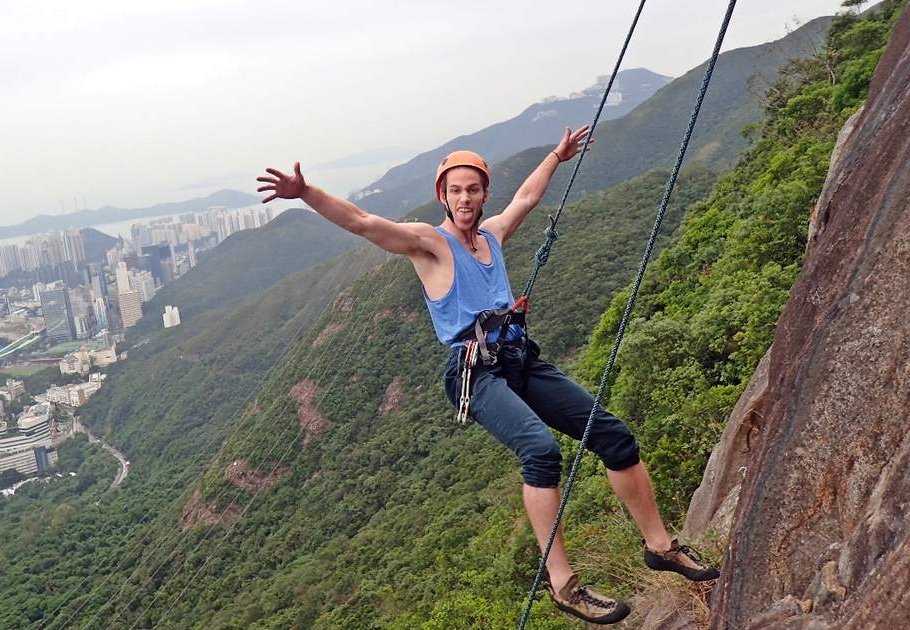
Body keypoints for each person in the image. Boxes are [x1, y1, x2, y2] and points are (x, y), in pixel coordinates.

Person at [257, 127, 719, 625]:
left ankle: (661, 545)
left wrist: (556, 156)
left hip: (520, 359)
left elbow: (525, 198)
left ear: (482, 194)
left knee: (612, 435)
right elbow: (365, 222)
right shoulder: (429, 245)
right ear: (443, 195)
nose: (464, 197)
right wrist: (305, 193)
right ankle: (563, 584)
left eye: (472, 189)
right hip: (476, 375)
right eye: (455, 190)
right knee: (541, 451)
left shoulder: (492, 237)